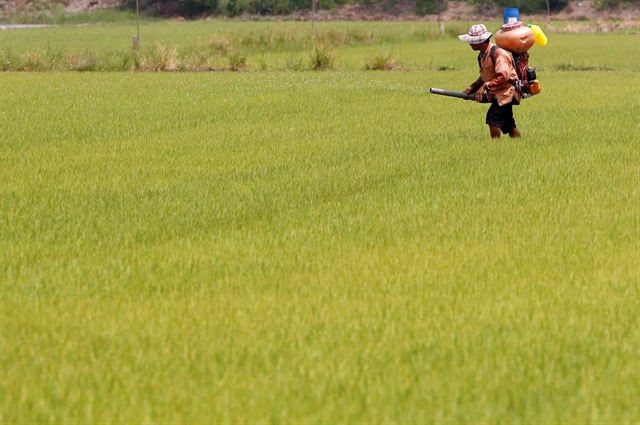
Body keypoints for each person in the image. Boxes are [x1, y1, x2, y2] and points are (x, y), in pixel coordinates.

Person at [459, 24, 521, 139]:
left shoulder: (498, 53)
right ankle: (520, 144)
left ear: (482, 41)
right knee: (508, 123)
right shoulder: (482, 55)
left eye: (473, 41)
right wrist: (472, 87)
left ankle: (494, 147)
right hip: (498, 93)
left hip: (506, 92)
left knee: (493, 119)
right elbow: (485, 76)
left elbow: (504, 76)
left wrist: (485, 86)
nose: (470, 44)